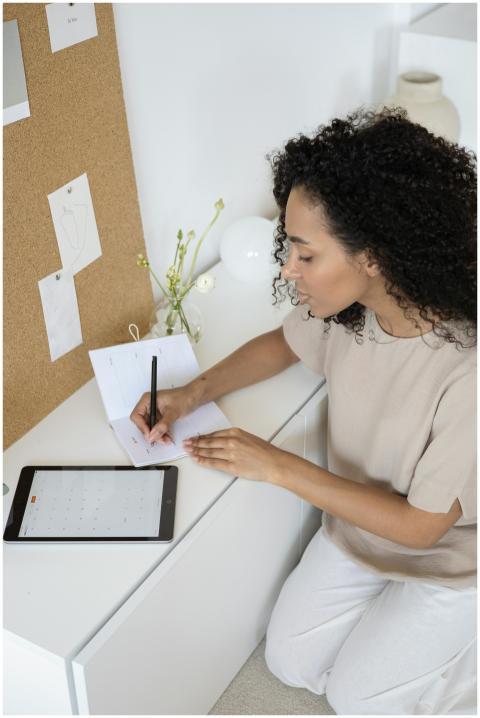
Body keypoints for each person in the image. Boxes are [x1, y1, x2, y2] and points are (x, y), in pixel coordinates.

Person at [130, 107, 476, 715]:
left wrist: (277, 466)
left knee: (358, 701)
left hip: (451, 556)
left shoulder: (465, 367)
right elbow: (281, 345)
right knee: (288, 662)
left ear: (372, 257)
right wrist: (192, 392)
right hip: (360, 528)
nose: (288, 269)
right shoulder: (348, 313)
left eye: (305, 255)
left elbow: (424, 527)